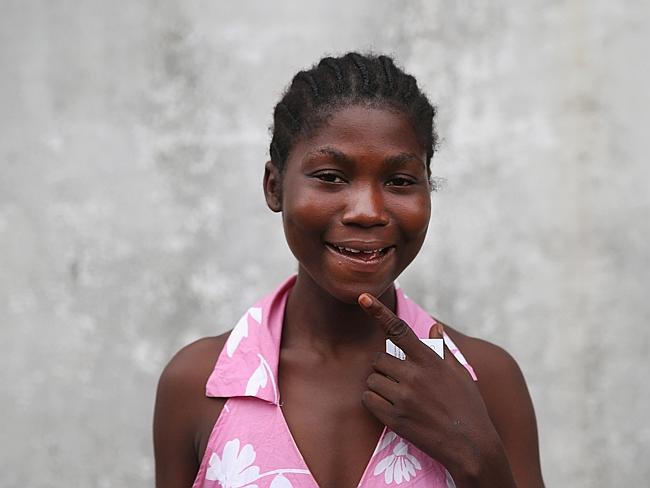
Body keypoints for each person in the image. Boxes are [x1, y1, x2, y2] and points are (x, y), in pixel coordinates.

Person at [153, 52, 545, 488]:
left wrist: (478, 456)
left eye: (399, 181)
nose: (367, 211)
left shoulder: (484, 378)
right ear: (274, 186)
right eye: (331, 176)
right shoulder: (199, 384)